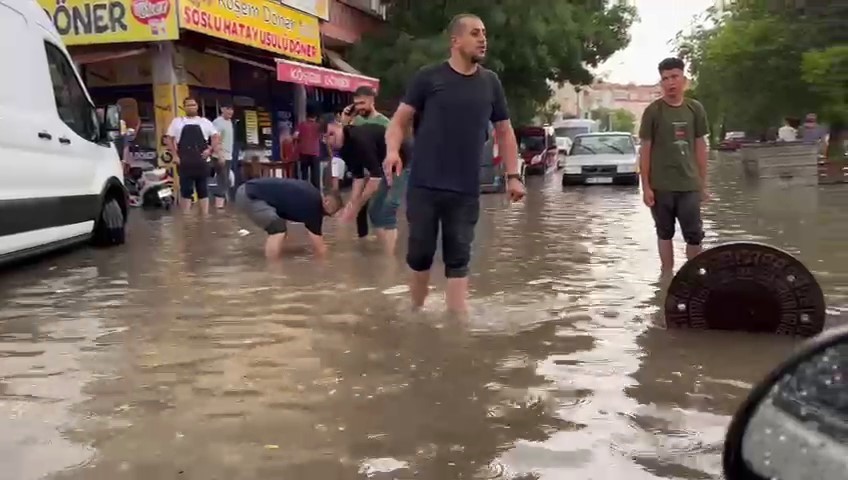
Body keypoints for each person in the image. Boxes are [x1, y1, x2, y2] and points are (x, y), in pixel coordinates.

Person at [382, 13, 526, 314]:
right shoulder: (428, 77)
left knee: (458, 257)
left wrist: (513, 175)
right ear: (455, 40)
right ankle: (416, 314)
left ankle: (456, 326)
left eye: (484, 33)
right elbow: (397, 122)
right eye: (475, 33)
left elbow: (504, 131)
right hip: (424, 185)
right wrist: (392, 151)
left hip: (465, 189)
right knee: (420, 254)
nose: (483, 39)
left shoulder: (490, 83)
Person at [638, 57, 709, 273]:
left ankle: (693, 276)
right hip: (661, 186)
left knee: (694, 234)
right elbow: (645, 150)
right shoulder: (653, 111)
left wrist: (703, 184)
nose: (670, 83)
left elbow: (700, 147)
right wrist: (646, 187)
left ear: (684, 80)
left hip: (689, 184)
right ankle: (667, 277)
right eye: (665, 79)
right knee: (664, 232)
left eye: (674, 77)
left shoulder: (694, 109)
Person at [322, 116, 412, 254]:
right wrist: (351, 205)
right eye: (325, 138)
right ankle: (386, 251)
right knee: (374, 211)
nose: (330, 141)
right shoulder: (343, 149)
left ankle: (390, 260)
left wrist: (356, 207)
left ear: (339, 126)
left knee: (388, 208)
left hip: (404, 162)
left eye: (332, 134)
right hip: (385, 167)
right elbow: (359, 178)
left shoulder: (359, 140)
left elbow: (374, 179)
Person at [234, 177, 343, 260]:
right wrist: (329, 265)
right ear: (326, 201)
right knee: (278, 230)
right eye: (331, 213)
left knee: (281, 229)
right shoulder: (314, 206)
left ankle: (276, 260)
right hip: (249, 196)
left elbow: (284, 201)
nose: (330, 216)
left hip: (248, 190)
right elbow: (319, 247)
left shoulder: (311, 194)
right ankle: (273, 270)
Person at [342, 86, 390, 239]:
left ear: (372, 101)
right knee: (359, 208)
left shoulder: (384, 122)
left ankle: (383, 241)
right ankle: (363, 241)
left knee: (377, 208)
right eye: (356, 104)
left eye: (362, 103)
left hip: (380, 170)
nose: (359, 107)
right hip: (362, 171)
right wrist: (345, 121)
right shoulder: (355, 120)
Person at [165, 97, 219, 215]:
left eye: (193, 105)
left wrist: (210, 150)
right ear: (184, 107)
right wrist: (175, 155)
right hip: (184, 161)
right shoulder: (177, 122)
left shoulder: (204, 122)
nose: (191, 107)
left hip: (201, 161)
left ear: (197, 106)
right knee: (186, 190)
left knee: (203, 190)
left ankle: (204, 218)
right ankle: (187, 220)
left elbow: (215, 136)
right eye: (188, 105)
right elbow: (169, 138)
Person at [212, 104, 235, 209]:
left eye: (231, 109)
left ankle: (221, 206)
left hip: (228, 156)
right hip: (219, 156)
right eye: (228, 108)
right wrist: (220, 155)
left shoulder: (229, 122)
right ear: (222, 109)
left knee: (225, 181)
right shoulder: (218, 122)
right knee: (222, 181)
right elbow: (216, 139)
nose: (230, 111)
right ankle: (218, 208)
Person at [295, 110, 321, 189]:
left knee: (304, 173)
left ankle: (304, 190)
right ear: (315, 117)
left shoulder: (301, 125)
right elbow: (322, 137)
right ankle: (316, 191)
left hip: (303, 152)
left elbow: (295, 136)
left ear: (306, 116)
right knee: (315, 175)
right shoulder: (318, 126)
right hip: (315, 153)